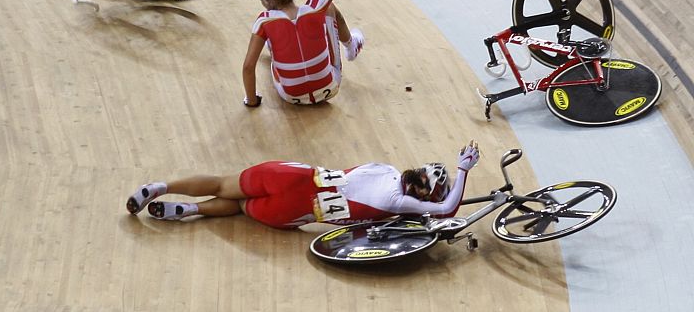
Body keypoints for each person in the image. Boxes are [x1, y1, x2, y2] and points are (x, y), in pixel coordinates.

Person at [126, 141, 480, 229]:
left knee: (223, 183)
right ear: (421, 194)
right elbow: (447, 209)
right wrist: (463, 171)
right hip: (297, 210)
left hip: (297, 175)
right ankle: (190, 210)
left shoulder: (385, 169)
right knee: (240, 207)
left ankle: (159, 186)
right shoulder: (398, 203)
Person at [242, 0, 365, 107]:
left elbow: (248, 67)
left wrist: (252, 101)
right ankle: (351, 45)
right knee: (329, 7)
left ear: (268, 0)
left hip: (291, 96)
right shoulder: (316, 6)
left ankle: (284, 55)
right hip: (330, 87)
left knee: (271, 31)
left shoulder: (264, 20)